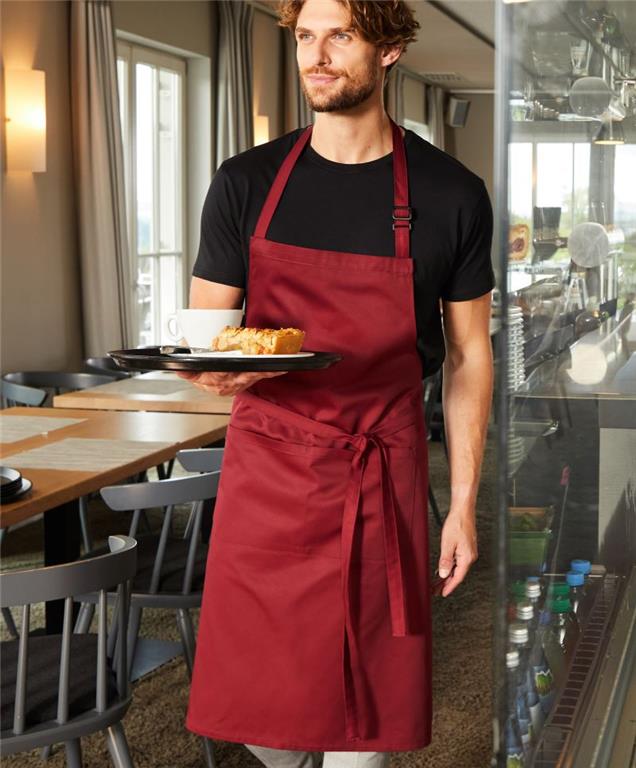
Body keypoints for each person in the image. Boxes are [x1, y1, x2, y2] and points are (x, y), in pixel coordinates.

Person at [182, 1, 494, 766]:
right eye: (305, 37)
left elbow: (469, 357)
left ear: (388, 50)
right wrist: (208, 368)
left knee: (367, 720)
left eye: (341, 36)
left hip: (381, 470)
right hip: (269, 476)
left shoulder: (451, 194)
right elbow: (205, 337)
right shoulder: (246, 182)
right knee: (262, 719)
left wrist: (462, 504)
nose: (316, 56)